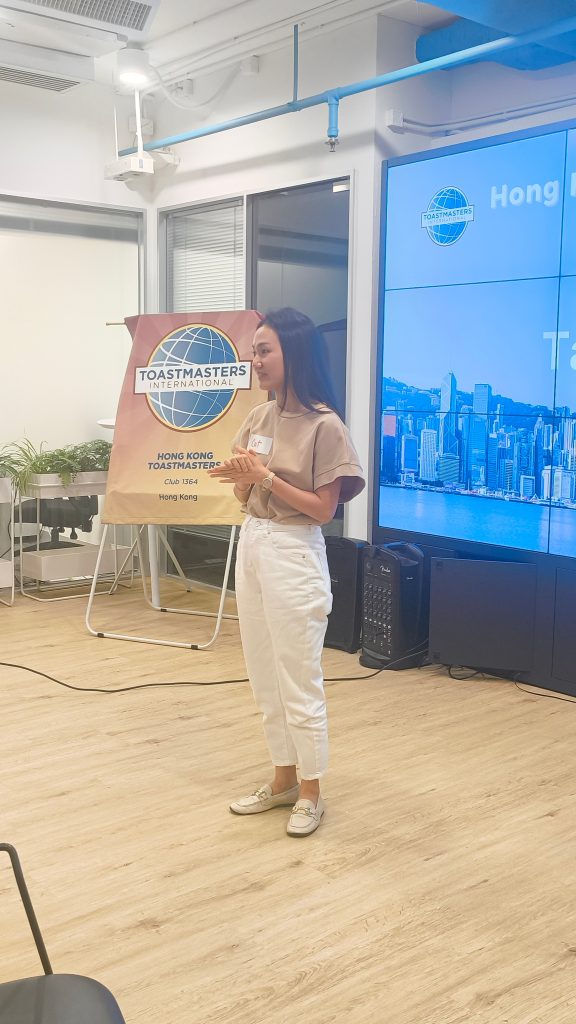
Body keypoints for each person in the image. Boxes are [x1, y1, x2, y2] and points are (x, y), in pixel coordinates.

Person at [208, 308, 364, 837]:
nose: (254, 361)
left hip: (294, 551)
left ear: (293, 353)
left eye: (264, 351)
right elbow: (244, 493)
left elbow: (323, 510)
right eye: (253, 351)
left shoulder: (326, 426)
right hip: (252, 542)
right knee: (263, 673)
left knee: (299, 677)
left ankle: (312, 790)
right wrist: (242, 478)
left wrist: (265, 477)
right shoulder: (259, 417)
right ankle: (283, 780)